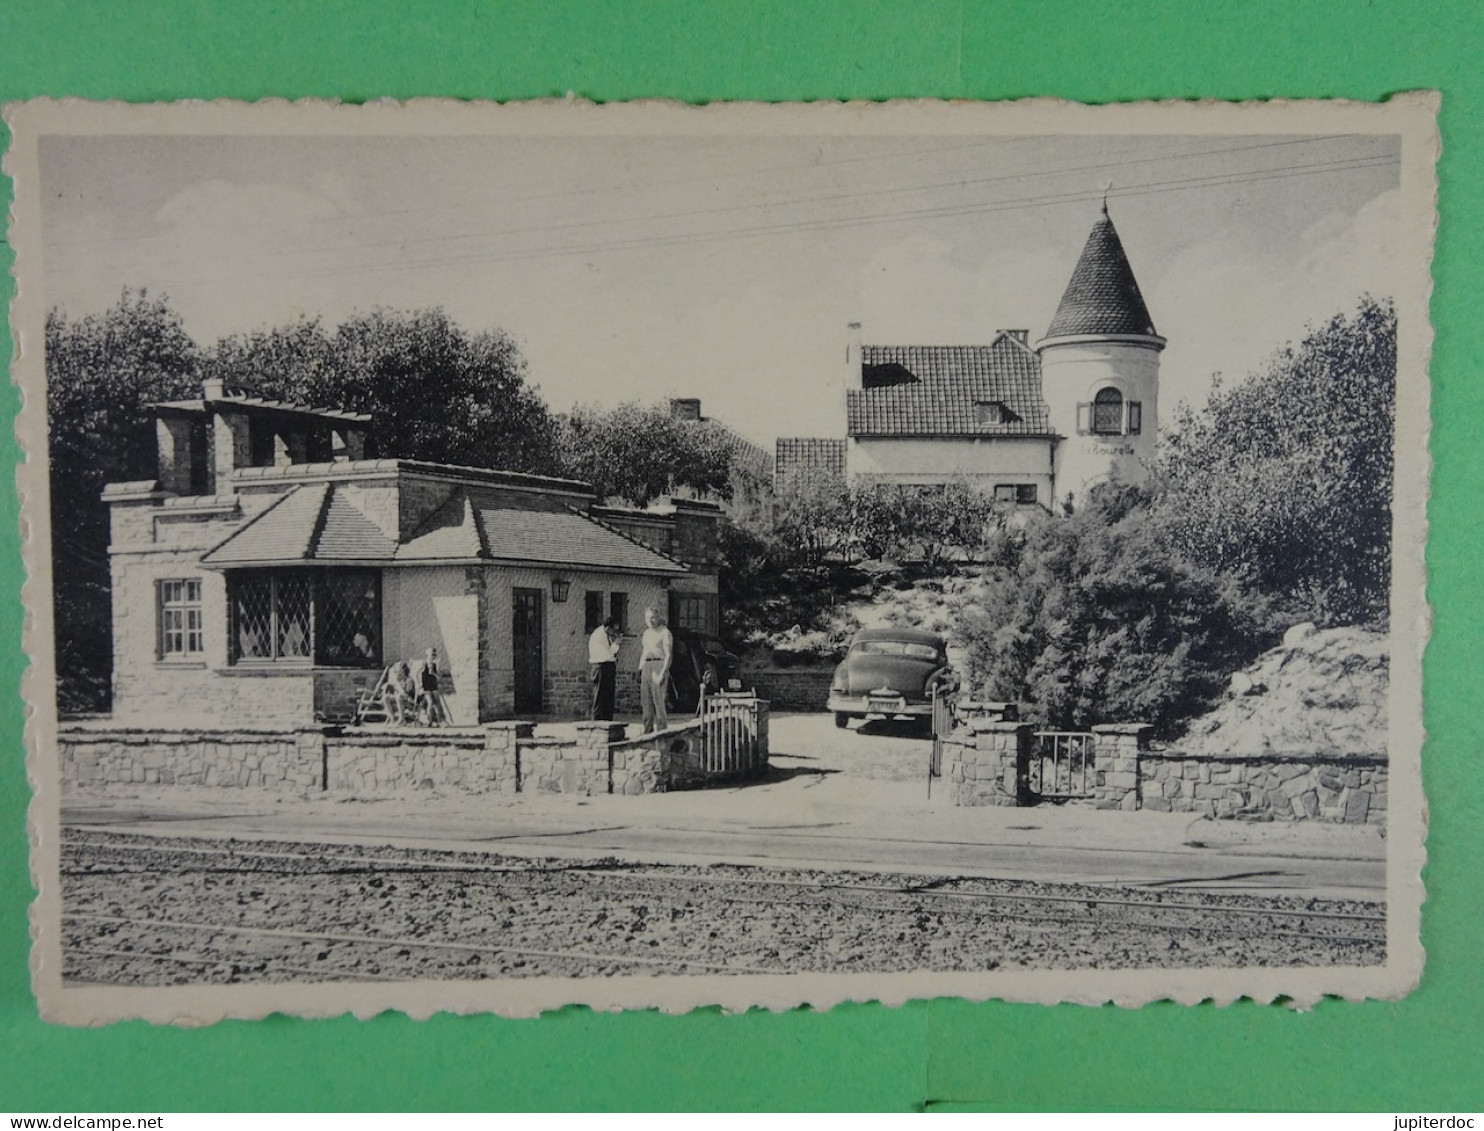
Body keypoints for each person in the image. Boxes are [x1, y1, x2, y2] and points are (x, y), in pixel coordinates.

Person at [637, 605, 672, 734]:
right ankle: (647, 731)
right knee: (646, 702)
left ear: (658, 618)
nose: (650, 620)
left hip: (658, 665)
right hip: (646, 666)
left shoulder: (664, 632)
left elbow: (668, 654)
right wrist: (640, 669)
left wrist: (664, 672)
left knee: (659, 701)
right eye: (647, 618)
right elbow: (644, 652)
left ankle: (662, 732)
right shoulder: (646, 633)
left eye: (652, 617)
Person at [588, 616, 621, 721]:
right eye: (613, 630)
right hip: (600, 667)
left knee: (608, 699)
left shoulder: (607, 635)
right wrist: (616, 644)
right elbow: (607, 654)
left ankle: (608, 723)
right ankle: (596, 724)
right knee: (600, 698)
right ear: (607, 628)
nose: (614, 632)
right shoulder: (598, 636)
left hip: (608, 667)